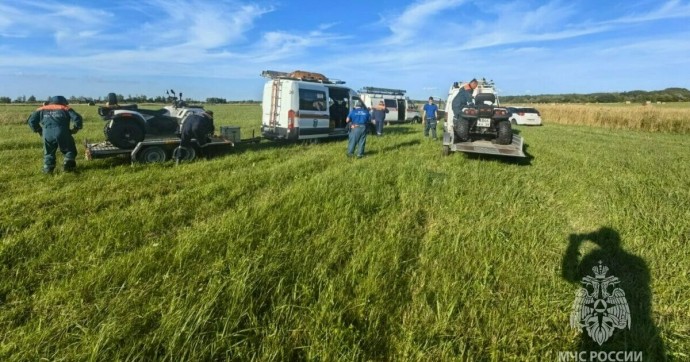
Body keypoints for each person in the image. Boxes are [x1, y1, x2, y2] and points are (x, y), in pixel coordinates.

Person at [27, 95, 83, 173]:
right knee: (69, 150)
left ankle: (48, 169)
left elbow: (31, 121)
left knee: (49, 153)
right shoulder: (65, 108)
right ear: (63, 102)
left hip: (47, 133)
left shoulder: (41, 109)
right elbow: (77, 118)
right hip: (63, 132)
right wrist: (75, 129)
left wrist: (39, 130)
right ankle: (68, 166)